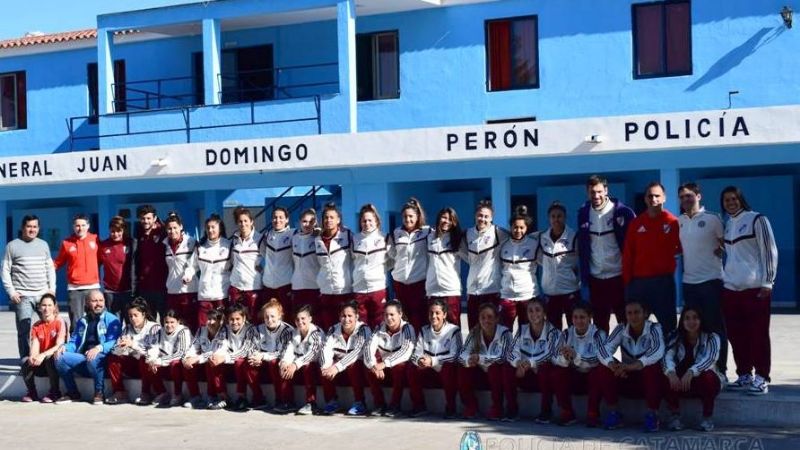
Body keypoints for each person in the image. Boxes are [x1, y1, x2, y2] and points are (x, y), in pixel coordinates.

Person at [720, 186, 778, 395]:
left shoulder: (757, 219)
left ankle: (762, 377)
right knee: (736, 335)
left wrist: (767, 282)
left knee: (758, 335)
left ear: (741, 199)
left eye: (734, 198)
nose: (731, 202)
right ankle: (744, 374)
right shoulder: (727, 225)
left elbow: (769, 250)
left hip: (755, 289)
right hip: (731, 289)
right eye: (726, 200)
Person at [677, 182, 727, 375]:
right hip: (689, 283)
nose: (685, 200)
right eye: (682, 197)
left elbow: (727, 246)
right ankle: (696, 367)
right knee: (693, 330)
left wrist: (721, 250)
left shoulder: (713, 219)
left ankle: (720, 370)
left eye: (689, 196)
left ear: (699, 196)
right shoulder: (679, 221)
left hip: (712, 282)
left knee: (715, 329)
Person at [577, 175, 635, 333]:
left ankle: (629, 357)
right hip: (597, 280)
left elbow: (632, 244)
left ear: (606, 190)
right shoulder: (583, 212)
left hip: (619, 277)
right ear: (587, 192)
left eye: (599, 191)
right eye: (592, 192)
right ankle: (603, 358)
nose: (596, 196)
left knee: (626, 323)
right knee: (600, 325)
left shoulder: (623, 212)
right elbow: (583, 246)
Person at [623, 182, 681, 337]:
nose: (653, 199)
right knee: (635, 328)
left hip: (663, 284)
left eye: (657, 196)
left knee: (668, 327)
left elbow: (683, 248)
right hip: (639, 284)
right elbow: (628, 254)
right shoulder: (636, 223)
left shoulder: (674, 223)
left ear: (664, 198)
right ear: (645, 199)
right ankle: (634, 361)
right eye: (650, 196)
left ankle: (670, 360)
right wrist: (628, 283)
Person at [598, 299, 665, 432]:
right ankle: (614, 413)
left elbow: (658, 350)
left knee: (653, 368)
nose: (633, 317)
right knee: (603, 368)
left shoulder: (654, 328)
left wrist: (633, 366)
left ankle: (652, 414)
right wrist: (612, 365)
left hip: (646, 381)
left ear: (645, 314)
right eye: (629, 313)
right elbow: (604, 349)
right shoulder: (621, 328)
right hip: (626, 378)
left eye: (637, 312)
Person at [2, 215, 56, 361]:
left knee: (48, 327)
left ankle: (46, 359)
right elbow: (5, 269)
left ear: (38, 228)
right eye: (29, 226)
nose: (32, 229)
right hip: (23, 296)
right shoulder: (12, 246)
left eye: (35, 227)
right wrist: (11, 291)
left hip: (43, 295)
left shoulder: (43, 245)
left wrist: (52, 289)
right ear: (23, 227)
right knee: (24, 331)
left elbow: (50, 268)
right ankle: (26, 361)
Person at [55, 290, 122, 404]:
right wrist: (65, 347)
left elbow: (113, 341)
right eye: (94, 301)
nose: (98, 304)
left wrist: (98, 348)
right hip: (84, 359)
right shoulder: (83, 321)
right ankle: (73, 393)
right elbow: (74, 342)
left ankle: (99, 392)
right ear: (87, 303)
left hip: (102, 361)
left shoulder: (112, 320)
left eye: (101, 300)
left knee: (93, 357)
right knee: (60, 357)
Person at [663, 306, 723, 432]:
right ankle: (674, 416)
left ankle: (707, 418)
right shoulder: (675, 337)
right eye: (687, 318)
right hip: (681, 384)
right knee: (666, 375)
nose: (691, 322)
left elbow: (710, 359)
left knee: (709, 377)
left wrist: (691, 371)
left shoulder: (712, 337)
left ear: (701, 320)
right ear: (682, 321)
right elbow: (666, 356)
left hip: (702, 383)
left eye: (695, 318)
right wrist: (671, 372)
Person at [504, 298, 560, 423]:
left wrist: (531, 363)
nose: (534, 314)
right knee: (508, 368)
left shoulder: (553, 332)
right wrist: (518, 363)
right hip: (524, 374)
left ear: (544, 313)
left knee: (546, 367)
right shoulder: (522, 330)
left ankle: (546, 411)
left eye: (537, 310)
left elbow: (550, 354)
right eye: (530, 311)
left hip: (542, 377)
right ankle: (512, 410)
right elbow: (511, 352)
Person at [551, 302, 607, 427]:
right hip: (575, 377)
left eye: (582, 317)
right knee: (558, 372)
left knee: (597, 372)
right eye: (575, 317)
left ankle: (593, 414)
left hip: (592, 378)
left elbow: (597, 359)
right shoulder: (566, 333)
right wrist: (565, 358)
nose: (578, 321)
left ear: (589, 317)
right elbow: (555, 357)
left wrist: (576, 356)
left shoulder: (599, 334)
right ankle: (567, 412)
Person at [407, 298, 462, 418]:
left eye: (437, 313)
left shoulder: (454, 330)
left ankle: (451, 408)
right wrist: (419, 360)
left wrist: (433, 360)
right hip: (428, 370)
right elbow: (415, 353)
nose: (434, 316)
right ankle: (419, 405)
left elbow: (455, 355)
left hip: (444, 370)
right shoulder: (424, 330)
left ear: (444, 315)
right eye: (431, 313)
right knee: (413, 368)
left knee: (449, 367)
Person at [457, 303, 512, 420]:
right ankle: (471, 406)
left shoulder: (505, 333)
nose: (486, 320)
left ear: (497, 319)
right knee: (463, 367)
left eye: (490, 317)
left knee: (496, 367)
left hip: (499, 376)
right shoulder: (474, 332)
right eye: (483, 317)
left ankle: (497, 407)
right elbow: (462, 354)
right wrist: (468, 360)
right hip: (481, 374)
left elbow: (503, 357)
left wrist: (480, 358)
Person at [462, 200, 509, 329]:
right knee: (474, 330)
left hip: (492, 290)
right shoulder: (467, 234)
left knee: (492, 329)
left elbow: (516, 239)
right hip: (473, 291)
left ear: (492, 218)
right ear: (475, 216)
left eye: (486, 216)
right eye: (480, 215)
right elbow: (464, 254)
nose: (482, 219)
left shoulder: (499, 233)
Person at [320, 300, 371, 416]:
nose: (346, 319)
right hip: (339, 365)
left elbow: (357, 353)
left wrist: (336, 368)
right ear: (339, 317)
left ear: (357, 316)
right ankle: (332, 401)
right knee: (324, 365)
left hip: (357, 365)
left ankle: (360, 402)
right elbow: (325, 349)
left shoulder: (364, 330)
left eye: (350, 316)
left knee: (354, 365)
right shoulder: (333, 329)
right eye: (343, 316)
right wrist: (326, 367)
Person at [105, 297, 161, 405]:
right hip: (132, 365)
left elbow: (153, 352)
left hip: (151, 366)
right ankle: (120, 392)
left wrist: (133, 345)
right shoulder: (127, 328)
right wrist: (121, 347)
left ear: (144, 314)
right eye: (130, 316)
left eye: (136, 315)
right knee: (113, 358)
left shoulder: (154, 328)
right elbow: (115, 350)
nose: (133, 318)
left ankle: (146, 393)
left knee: (144, 358)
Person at [365, 300, 415, 417]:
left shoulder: (407, 328)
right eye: (386, 315)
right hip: (383, 369)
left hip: (399, 367)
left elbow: (405, 352)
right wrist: (374, 366)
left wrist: (384, 363)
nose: (389, 318)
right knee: (368, 367)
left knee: (400, 366)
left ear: (400, 314)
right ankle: (379, 404)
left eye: (392, 314)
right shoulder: (379, 328)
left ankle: (395, 405)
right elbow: (368, 348)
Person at [387, 198, 431, 332]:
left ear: (417, 216)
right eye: (405, 216)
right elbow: (393, 253)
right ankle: (403, 347)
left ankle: (418, 348)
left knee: (419, 318)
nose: (408, 219)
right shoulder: (396, 232)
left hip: (419, 282)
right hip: (400, 283)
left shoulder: (427, 232)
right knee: (402, 318)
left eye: (411, 216)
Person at [184, 214, 232, 331]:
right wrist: (188, 275)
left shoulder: (228, 245)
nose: (210, 230)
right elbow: (192, 266)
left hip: (222, 295)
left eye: (213, 227)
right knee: (203, 327)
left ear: (220, 228)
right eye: (208, 228)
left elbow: (237, 264)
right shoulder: (200, 247)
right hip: (204, 295)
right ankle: (202, 347)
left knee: (222, 327)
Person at [243, 299, 294, 411]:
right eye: (266, 317)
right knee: (248, 363)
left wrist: (262, 356)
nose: (269, 320)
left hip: (280, 362)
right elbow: (250, 347)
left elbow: (283, 353)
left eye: (272, 316)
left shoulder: (287, 330)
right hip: (262, 362)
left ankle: (284, 400)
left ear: (280, 316)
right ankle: (259, 398)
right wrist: (255, 356)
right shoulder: (257, 329)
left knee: (275, 363)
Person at [54, 213, 101, 330]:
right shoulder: (66, 243)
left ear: (88, 226)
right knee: (76, 323)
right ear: (73, 227)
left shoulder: (95, 239)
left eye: (83, 225)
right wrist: (45, 269)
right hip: (74, 289)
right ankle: (77, 347)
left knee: (96, 321)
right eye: (77, 226)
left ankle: (95, 347)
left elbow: (104, 259)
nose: (80, 228)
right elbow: (58, 263)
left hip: (93, 287)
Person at [539, 202, 581, 330]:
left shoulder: (574, 236)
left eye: (559, 216)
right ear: (549, 218)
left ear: (565, 217)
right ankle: (556, 351)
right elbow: (540, 259)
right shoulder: (542, 237)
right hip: (550, 292)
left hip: (570, 290)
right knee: (553, 330)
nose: (556, 219)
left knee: (574, 328)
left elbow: (581, 259)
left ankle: (575, 350)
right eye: (553, 216)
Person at [277, 304, 324, 415]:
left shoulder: (317, 333)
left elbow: (312, 354)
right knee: (284, 366)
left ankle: (311, 403)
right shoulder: (294, 332)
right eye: (297, 319)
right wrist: (284, 362)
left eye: (303, 318)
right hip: (299, 364)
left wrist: (295, 365)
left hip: (316, 366)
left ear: (310, 319)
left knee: (308, 366)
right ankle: (287, 402)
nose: (300, 322)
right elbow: (288, 349)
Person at [498, 205, 540, 329]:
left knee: (527, 332)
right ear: (510, 227)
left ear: (527, 228)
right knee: (504, 332)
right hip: (507, 295)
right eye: (515, 227)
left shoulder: (534, 244)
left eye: (522, 227)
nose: (518, 230)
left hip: (528, 295)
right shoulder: (503, 245)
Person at [207, 303, 255, 410]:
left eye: (238, 319)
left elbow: (245, 351)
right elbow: (222, 345)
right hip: (230, 359)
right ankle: (223, 397)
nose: (234, 322)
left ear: (244, 318)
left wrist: (224, 358)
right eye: (231, 319)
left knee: (239, 361)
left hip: (246, 361)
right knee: (213, 360)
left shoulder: (250, 329)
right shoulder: (225, 329)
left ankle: (242, 397)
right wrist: (217, 356)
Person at [20, 293, 66, 403]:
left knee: (50, 358)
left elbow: (59, 345)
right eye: (44, 305)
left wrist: (43, 354)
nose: (46, 308)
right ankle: (32, 393)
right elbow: (35, 346)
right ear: (40, 307)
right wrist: (32, 357)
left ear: (54, 306)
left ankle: (55, 392)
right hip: (42, 363)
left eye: (50, 305)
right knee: (25, 361)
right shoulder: (36, 326)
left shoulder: (60, 322)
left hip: (56, 363)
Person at [315, 203, 354, 330]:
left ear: (338, 220)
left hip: (343, 289)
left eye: (332, 217)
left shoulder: (347, 235)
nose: (328, 220)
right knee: (327, 325)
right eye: (326, 217)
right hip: (325, 290)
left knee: (344, 325)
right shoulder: (317, 240)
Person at [142, 309, 192, 407]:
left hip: (180, 365)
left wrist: (160, 361)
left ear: (178, 322)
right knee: (146, 361)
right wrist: (152, 360)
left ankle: (177, 394)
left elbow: (181, 353)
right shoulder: (160, 331)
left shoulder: (183, 331)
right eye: (166, 322)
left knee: (175, 363)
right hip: (165, 363)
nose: (169, 325)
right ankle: (162, 393)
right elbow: (153, 347)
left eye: (172, 322)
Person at [352, 204, 389, 329]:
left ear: (376, 221)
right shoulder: (355, 239)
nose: (367, 223)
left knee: (379, 322)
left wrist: (379, 270)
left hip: (377, 287)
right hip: (359, 288)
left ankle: (378, 349)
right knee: (362, 324)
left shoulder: (384, 238)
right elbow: (352, 260)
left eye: (370, 220)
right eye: (364, 221)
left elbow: (392, 259)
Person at [425, 207, 463, 326]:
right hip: (433, 289)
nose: (446, 221)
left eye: (450, 219)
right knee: (434, 325)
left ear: (454, 222)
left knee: (453, 325)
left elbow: (471, 258)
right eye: (444, 217)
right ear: (438, 218)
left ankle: (456, 345)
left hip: (450, 289)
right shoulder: (430, 236)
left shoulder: (458, 239)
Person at [181, 308, 224, 409]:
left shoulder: (224, 331)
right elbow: (193, 346)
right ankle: (195, 397)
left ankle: (212, 396)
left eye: (214, 319)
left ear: (220, 321)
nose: (211, 322)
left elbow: (216, 352)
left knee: (212, 361)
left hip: (223, 361)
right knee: (187, 363)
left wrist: (197, 358)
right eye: (209, 319)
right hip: (204, 358)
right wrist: (188, 357)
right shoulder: (201, 330)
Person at [163, 212, 199, 331]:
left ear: (181, 227)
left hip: (189, 290)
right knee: (174, 323)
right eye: (169, 228)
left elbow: (196, 264)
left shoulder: (191, 242)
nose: (172, 231)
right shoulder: (164, 244)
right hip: (172, 290)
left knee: (191, 322)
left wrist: (188, 275)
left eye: (175, 228)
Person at [132, 205, 168, 320]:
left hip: (162, 286)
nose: (145, 221)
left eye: (148, 218)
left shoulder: (163, 233)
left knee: (165, 318)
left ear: (155, 218)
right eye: (143, 218)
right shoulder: (138, 234)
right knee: (149, 320)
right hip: (145, 286)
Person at [230, 207, 264, 323]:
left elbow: (268, 258)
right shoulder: (234, 239)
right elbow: (232, 261)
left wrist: (262, 268)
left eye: (245, 221)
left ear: (251, 221)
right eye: (240, 221)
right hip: (236, 286)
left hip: (253, 286)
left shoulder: (260, 239)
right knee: (236, 320)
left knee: (253, 319)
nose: (243, 224)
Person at [261, 207, 295, 320]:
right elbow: (262, 253)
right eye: (275, 217)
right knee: (268, 316)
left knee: (286, 316)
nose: (277, 220)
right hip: (268, 284)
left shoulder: (293, 234)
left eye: (281, 217)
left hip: (285, 283)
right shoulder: (267, 235)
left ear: (287, 220)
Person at [98, 216, 134, 317]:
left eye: (119, 231)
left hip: (127, 290)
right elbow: (95, 264)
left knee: (130, 323)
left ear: (123, 230)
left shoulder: (131, 244)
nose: (115, 234)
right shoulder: (103, 246)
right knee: (113, 323)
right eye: (112, 231)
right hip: (110, 292)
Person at [291, 208, 321, 320]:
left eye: (311, 221)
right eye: (304, 221)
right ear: (299, 222)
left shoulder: (319, 238)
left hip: (314, 285)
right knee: (298, 318)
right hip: (297, 286)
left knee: (314, 318)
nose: (307, 224)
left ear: (315, 222)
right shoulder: (293, 238)